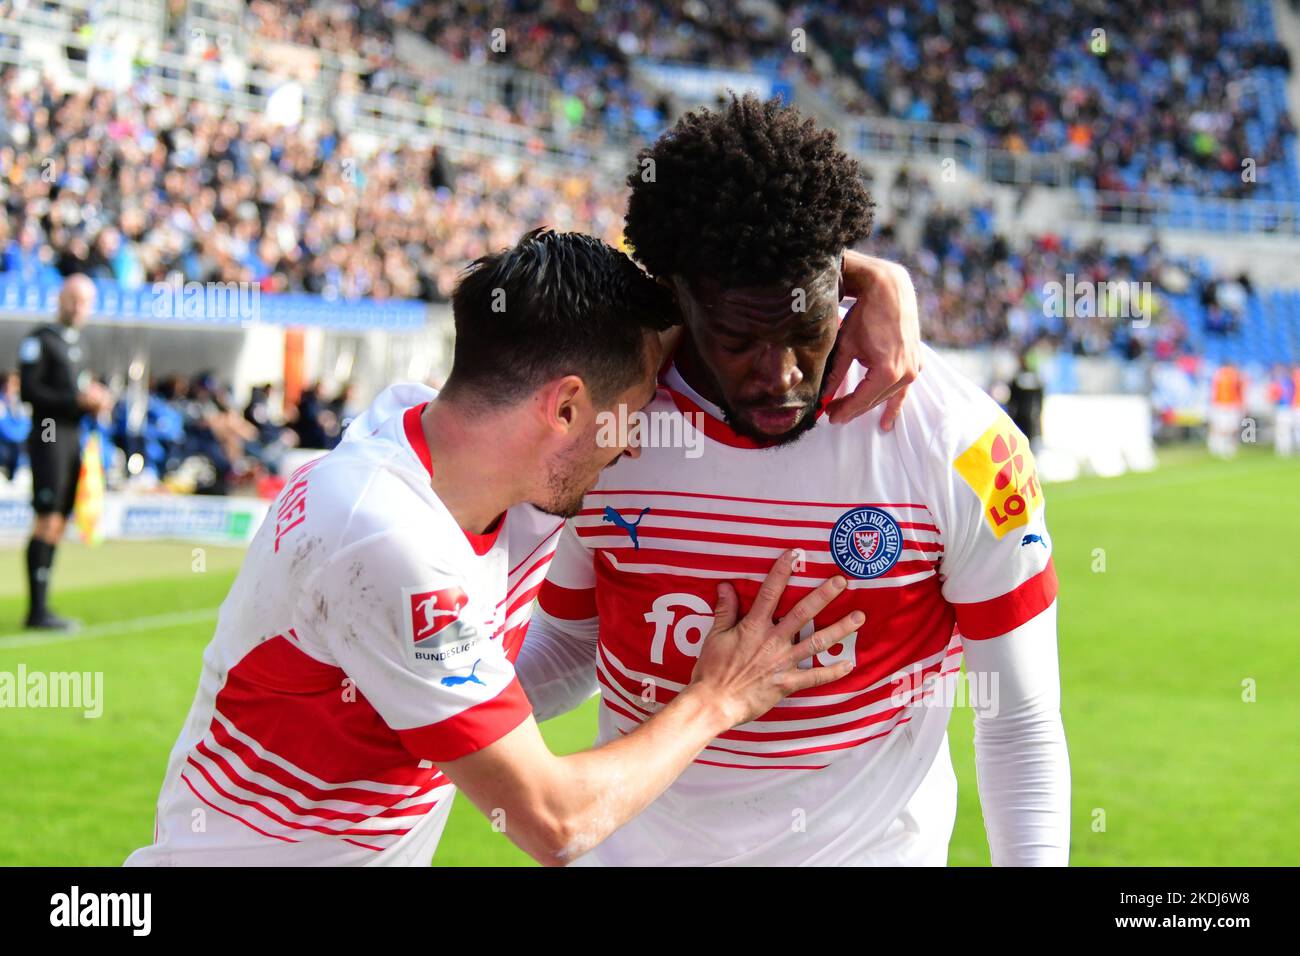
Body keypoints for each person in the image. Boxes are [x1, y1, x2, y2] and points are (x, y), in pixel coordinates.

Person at [125, 230, 862, 867]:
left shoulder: (471, 454)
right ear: (568, 407)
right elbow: (556, 822)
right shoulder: (388, 541)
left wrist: (868, 281)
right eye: (631, 414)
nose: (637, 439)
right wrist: (719, 697)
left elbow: (691, 311)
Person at [517, 96, 1070, 866]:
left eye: (805, 333)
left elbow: (1020, 719)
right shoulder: (609, 426)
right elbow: (574, 646)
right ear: (679, 300)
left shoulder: (961, 442)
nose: (779, 375)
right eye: (739, 340)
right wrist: (421, 710)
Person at [17, 274, 112, 630]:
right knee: (46, 517)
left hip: (73, 437)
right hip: (48, 435)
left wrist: (95, 398)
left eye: (86, 301)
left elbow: (81, 387)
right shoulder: (40, 341)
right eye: (74, 299)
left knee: (58, 520)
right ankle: (36, 610)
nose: (79, 307)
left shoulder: (80, 344)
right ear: (61, 299)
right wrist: (75, 400)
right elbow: (29, 391)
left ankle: (42, 606)